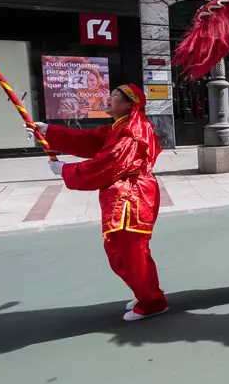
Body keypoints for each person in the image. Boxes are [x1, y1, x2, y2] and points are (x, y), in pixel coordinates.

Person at [31, 84, 167, 322]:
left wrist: (66, 169)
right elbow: (89, 140)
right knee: (126, 252)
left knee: (131, 253)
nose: (108, 98)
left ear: (129, 105)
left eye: (115, 96)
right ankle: (146, 293)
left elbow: (109, 163)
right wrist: (49, 131)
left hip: (132, 199)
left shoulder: (131, 131)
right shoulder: (118, 127)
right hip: (125, 197)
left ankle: (152, 302)